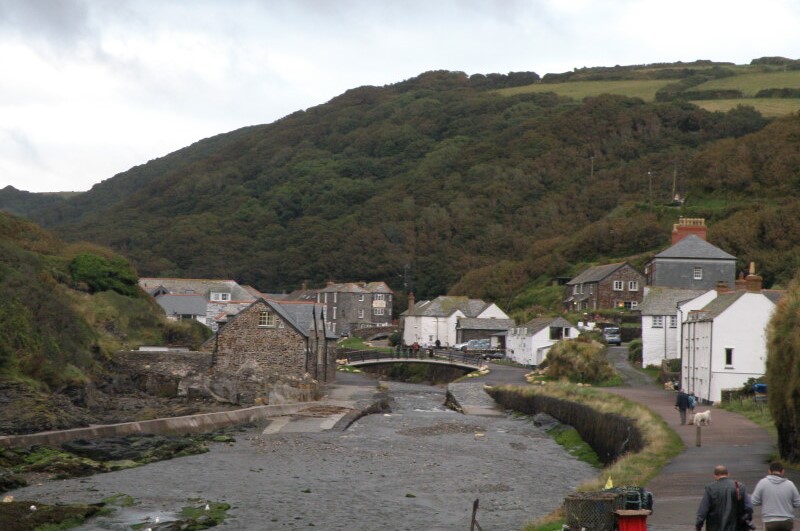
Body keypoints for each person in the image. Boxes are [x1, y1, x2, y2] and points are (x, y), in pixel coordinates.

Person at [696, 465, 752, 531]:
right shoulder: (740, 487)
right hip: (737, 526)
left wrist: (698, 525)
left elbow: (703, 510)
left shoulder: (710, 488)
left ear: (714, 476)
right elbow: (749, 507)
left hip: (715, 527)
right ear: (728, 474)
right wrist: (746, 519)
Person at [751, 461, 800, 530]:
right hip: (787, 521)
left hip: (769, 520)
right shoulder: (790, 484)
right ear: (782, 471)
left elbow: (753, 501)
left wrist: (765, 500)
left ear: (769, 471)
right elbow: (798, 503)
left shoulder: (763, 483)